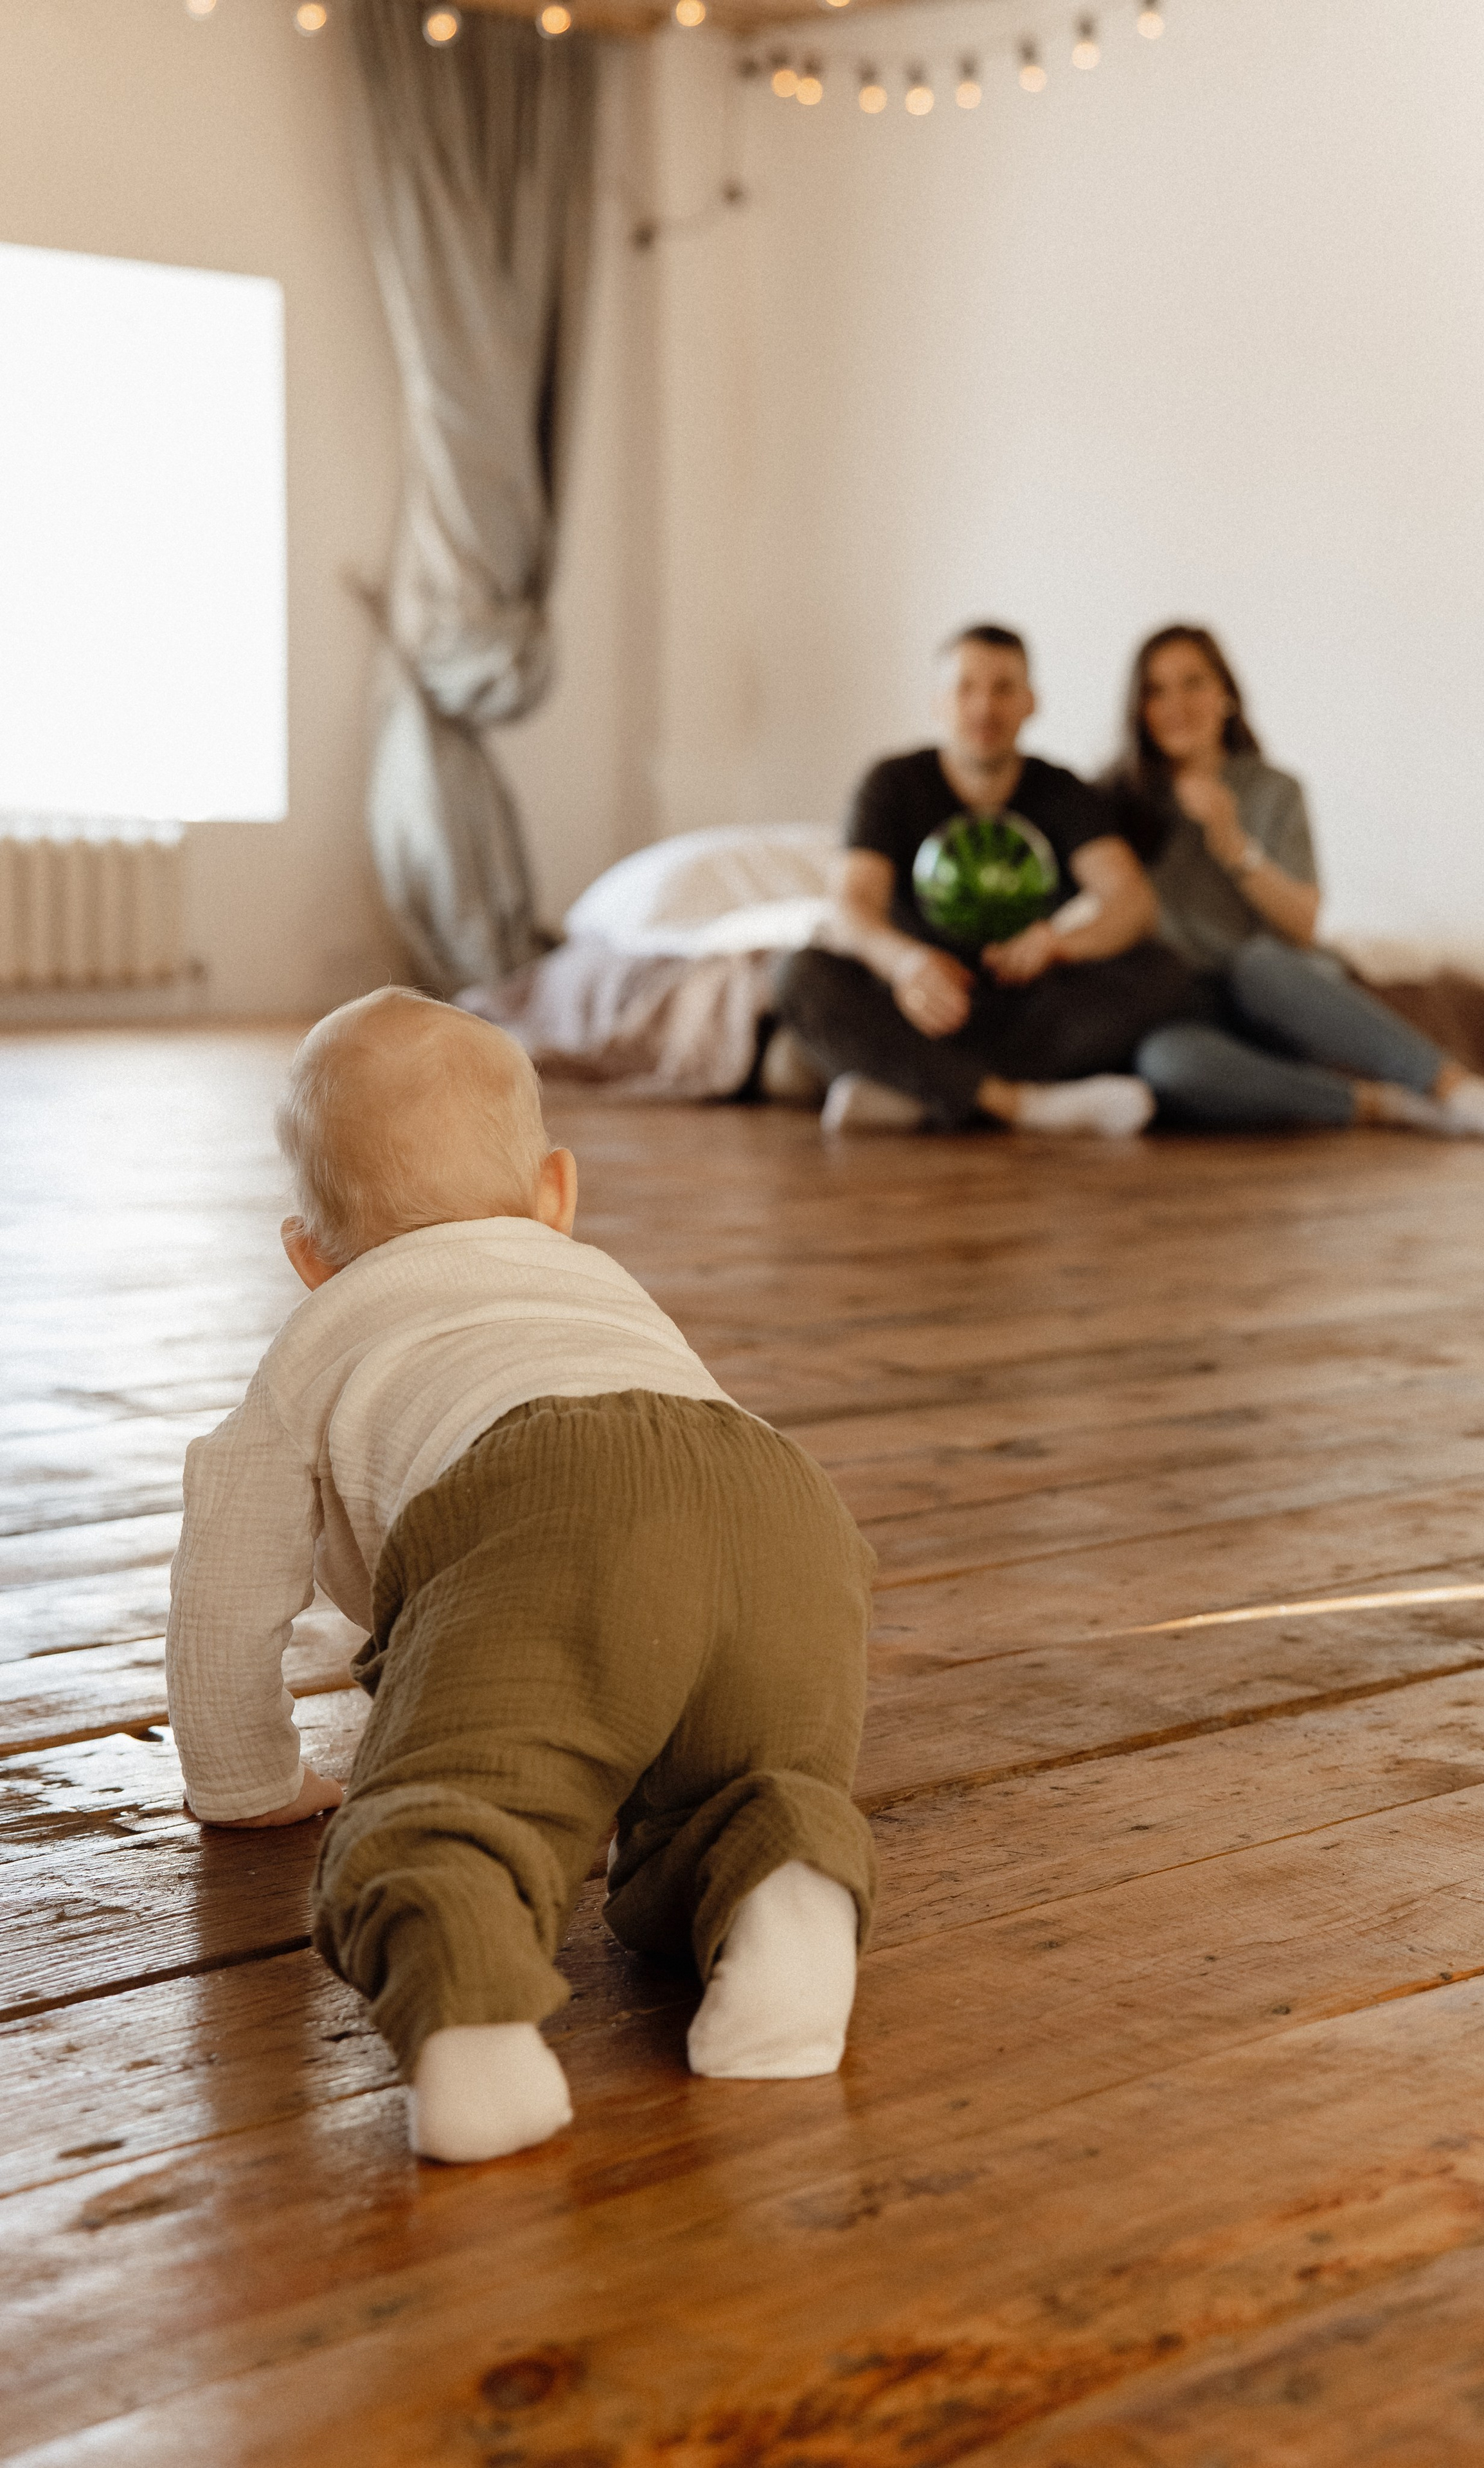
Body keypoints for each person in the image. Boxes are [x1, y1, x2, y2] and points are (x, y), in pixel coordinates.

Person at [165, 989, 877, 2164]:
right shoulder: (597, 1280)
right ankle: (784, 1883)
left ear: (311, 1259)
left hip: (538, 1499)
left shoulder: (322, 1331)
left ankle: (476, 2035)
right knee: (747, 1774)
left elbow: (225, 1586)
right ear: (556, 1193)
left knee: (454, 1808)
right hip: (781, 1502)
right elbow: (668, 1459)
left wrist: (245, 1781)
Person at [1105, 625, 1484, 1147]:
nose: (1175, 705)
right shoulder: (1118, 799)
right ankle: (1381, 1105)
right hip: (1191, 1001)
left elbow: (1303, 925)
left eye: (1193, 684)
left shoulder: (1275, 790)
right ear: (1138, 709)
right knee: (1166, 1061)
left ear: (1226, 696)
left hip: (1275, 985)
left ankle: (1458, 1091)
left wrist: (1231, 843)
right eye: (1155, 691)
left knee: (1258, 964)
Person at [774, 624, 1206, 1136]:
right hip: (916, 1005)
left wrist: (1059, 943)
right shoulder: (892, 785)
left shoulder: (1062, 791)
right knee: (797, 975)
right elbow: (851, 905)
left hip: (1024, 1003)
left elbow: (1133, 902)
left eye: (1004, 689)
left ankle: (919, 1092)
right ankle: (1017, 1105)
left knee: (1166, 971)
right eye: (966, 688)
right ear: (939, 702)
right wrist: (905, 965)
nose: (985, 708)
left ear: (1030, 703)